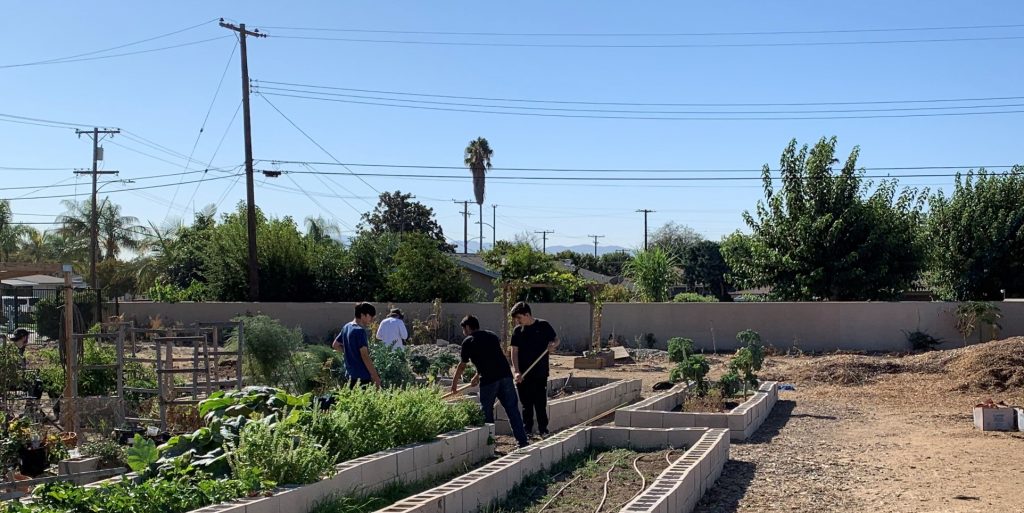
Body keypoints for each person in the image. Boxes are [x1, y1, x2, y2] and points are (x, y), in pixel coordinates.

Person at [451, 315, 530, 448]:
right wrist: (477, 375)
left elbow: (462, 365)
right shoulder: (491, 335)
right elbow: (491, 357)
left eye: (464, 329)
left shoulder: (468, 341)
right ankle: (522, 442)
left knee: (486, 412)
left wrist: (454, 384)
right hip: (505, 376)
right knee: (512, 410)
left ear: (468, 327)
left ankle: (489, 446)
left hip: (489, 381)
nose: (463, 332)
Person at [509, 302, 559, 437]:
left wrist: (552, 346)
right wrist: (517, 371)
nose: (518, 321)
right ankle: (527, 430)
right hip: (524, 374)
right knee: (526, 404)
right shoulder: (518, 331)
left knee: (540, 403)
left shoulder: (543, 326)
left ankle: (543, 430)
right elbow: (514, 351)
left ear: (527, 314)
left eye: (519, 318)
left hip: (540, 372)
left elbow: (556, 340)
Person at [333, 302, 382, 388]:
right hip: (362, 376)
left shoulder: (346, 327)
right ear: (363, 315)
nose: (371, 320)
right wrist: (375, 376)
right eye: (370, 316)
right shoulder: (360, 331)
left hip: (350, 373)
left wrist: (349, 352)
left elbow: (335, 345)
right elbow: (365, 356)